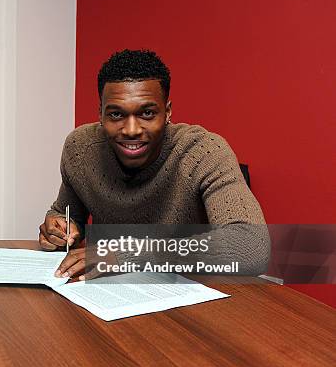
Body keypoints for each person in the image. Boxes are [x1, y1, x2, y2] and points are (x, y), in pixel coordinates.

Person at [38, 49, 269, 280]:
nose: (131, 130)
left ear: (167, 112)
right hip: (103, 289)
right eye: (116, 115)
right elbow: (66, 213)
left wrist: (130, 255)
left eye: (147, 113)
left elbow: (250, 245)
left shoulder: (204, 151)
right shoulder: (79, 147)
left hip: (185, 293)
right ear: (100, 114)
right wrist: (58, 228)